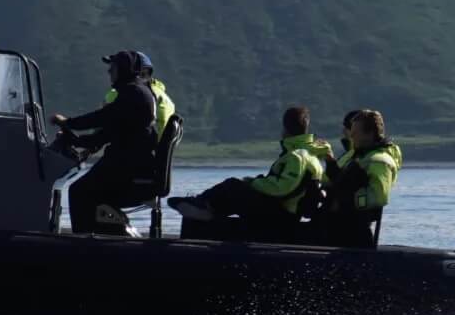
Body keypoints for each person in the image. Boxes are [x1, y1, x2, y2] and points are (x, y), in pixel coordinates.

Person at [169, 105, 330, 233]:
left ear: (285, 129)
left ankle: (203, 205)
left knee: (233, 185)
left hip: (281, 216)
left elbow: (282, 188)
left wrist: (254, 183)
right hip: (286, 213)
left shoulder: (298, 156)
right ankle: (207, 208)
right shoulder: (312, 156)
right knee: (236, 190)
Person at [55, 50, 163, 234]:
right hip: (129, 164)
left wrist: (68, 123)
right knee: (86, 193)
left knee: (78, 192)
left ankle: (82, 244)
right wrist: (76, 140)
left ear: (124, 69)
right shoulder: (136, 91)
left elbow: (102, 118)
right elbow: (108, 133)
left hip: (125, 168)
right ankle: (101, 236)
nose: (109, 72)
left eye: (112, 68)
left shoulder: (133, 93)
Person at [319, 108, 402, 247]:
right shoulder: (360, 156)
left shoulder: (379, 161)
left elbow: (378, 197)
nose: (351, 137)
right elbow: (342, 181)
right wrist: (330, 162)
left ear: (369, 134)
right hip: (339, 226)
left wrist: (345, 202)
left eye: (355, 134)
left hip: (355, 231)